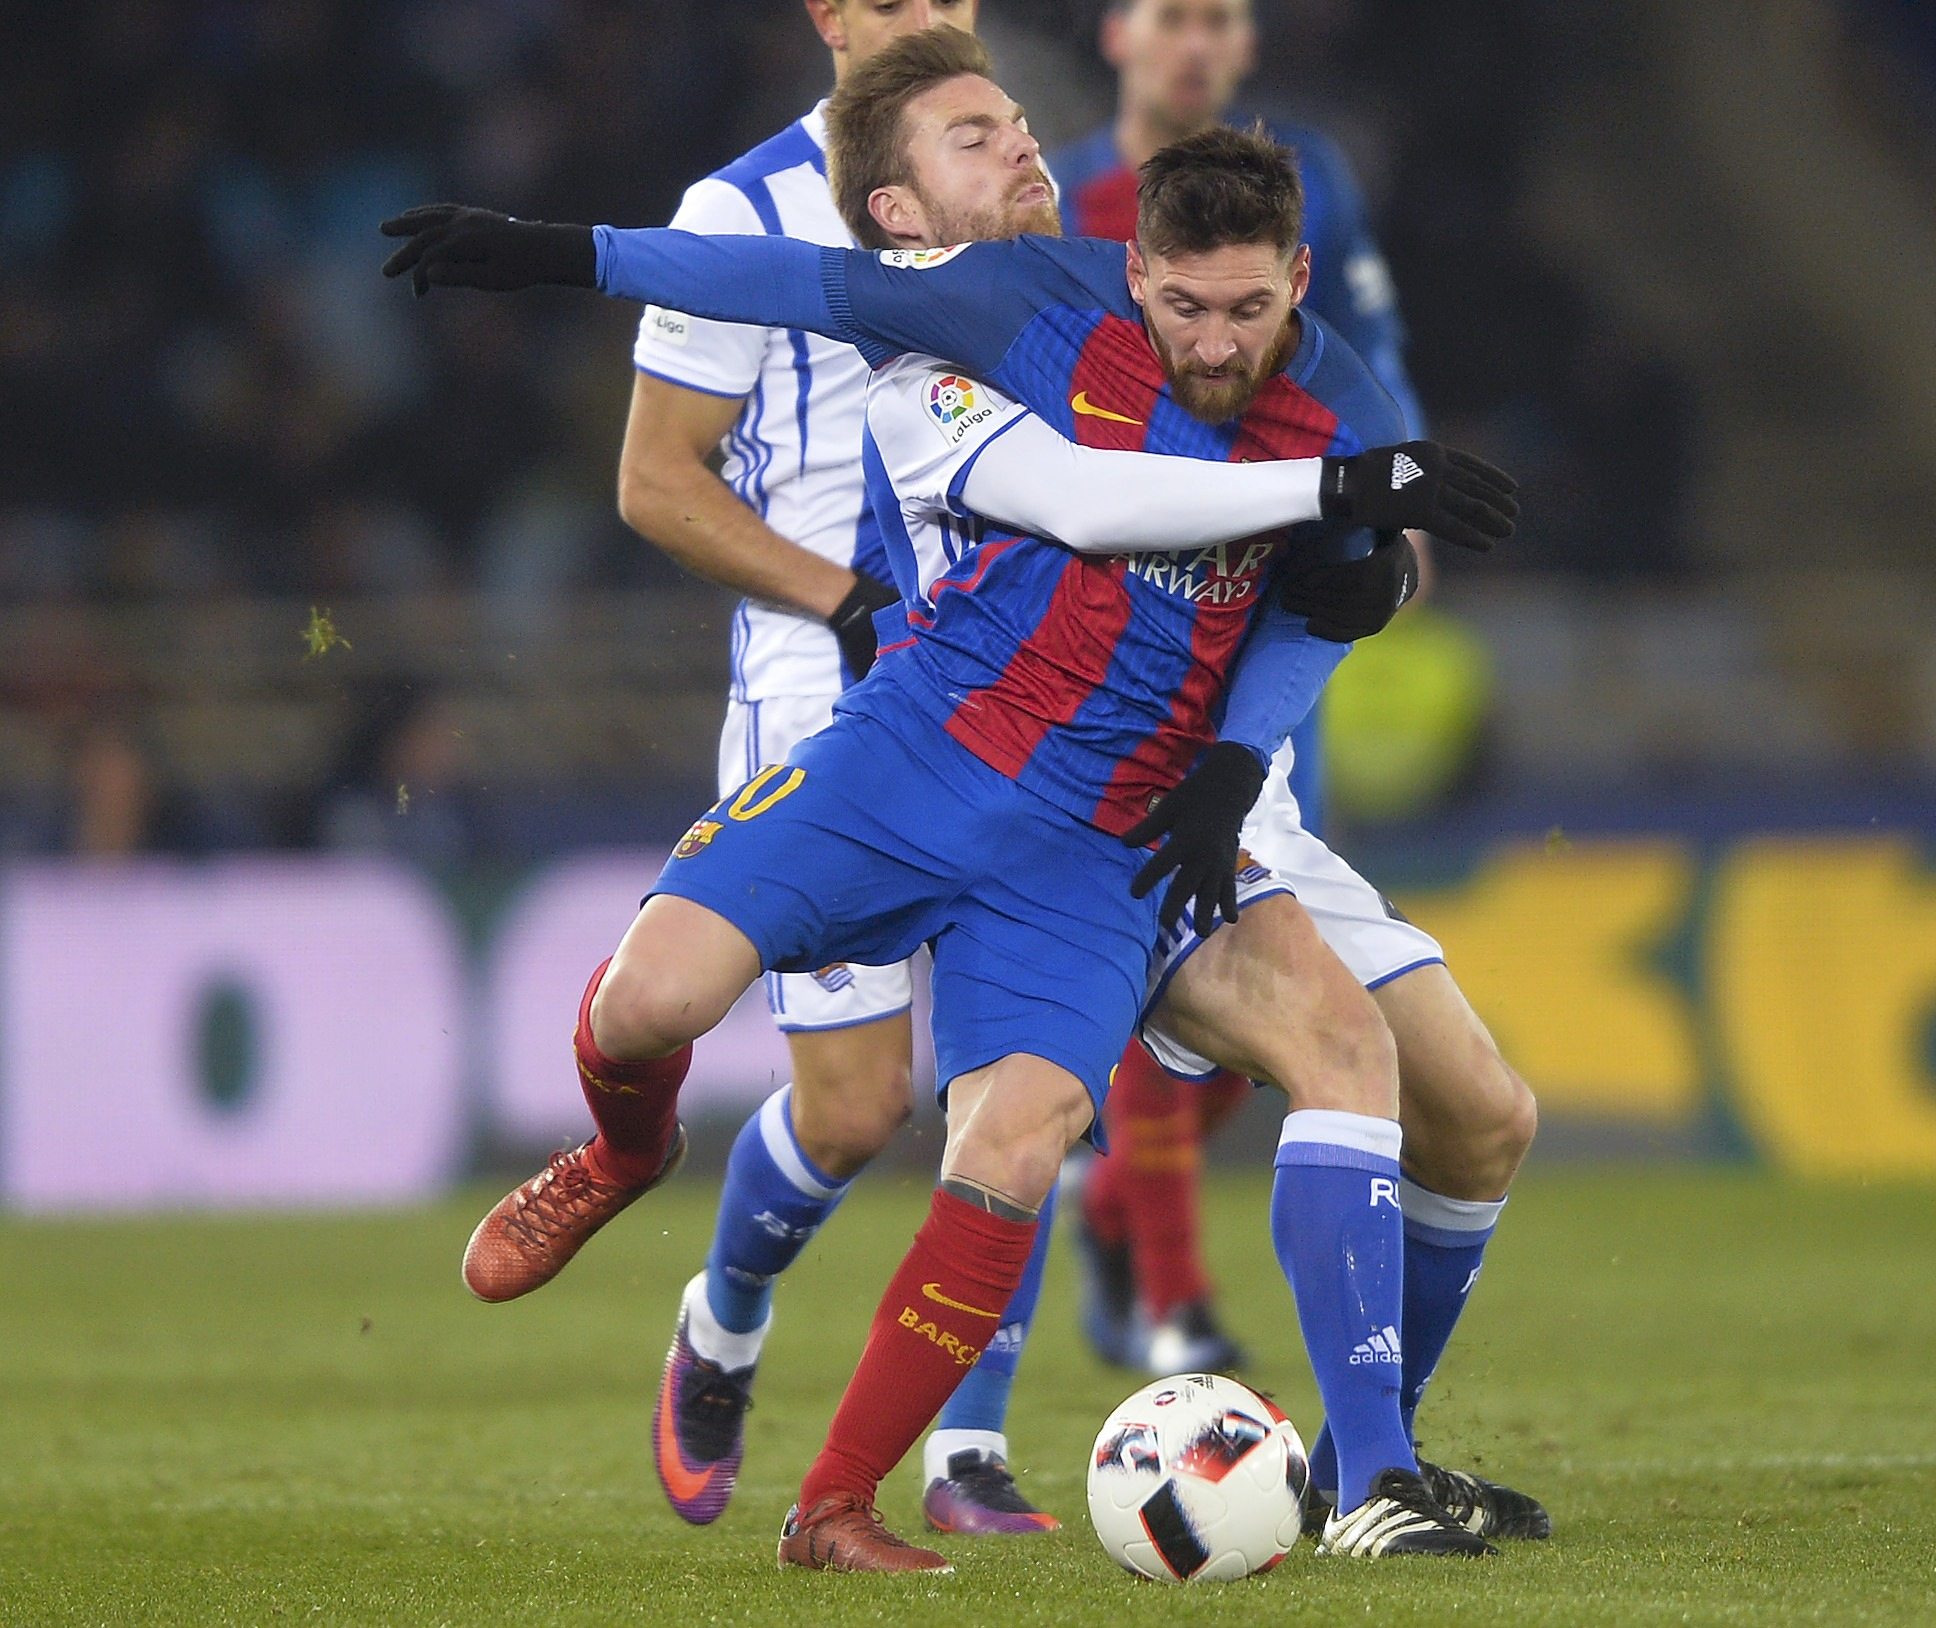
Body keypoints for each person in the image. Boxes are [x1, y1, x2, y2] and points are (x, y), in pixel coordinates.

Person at [382, 34, 1521, 1569]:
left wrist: (1252, 740)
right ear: (904, 206)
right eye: (974, 132)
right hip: (922, 745)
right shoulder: (969, 321)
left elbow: (1316, 608)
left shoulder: (1285, 380)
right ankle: (632, 1161)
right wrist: (558, 255)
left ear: (1299, 281)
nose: (1213, 338)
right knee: (666, 1006)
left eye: (1017, 123)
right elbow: (1065, 485)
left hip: (1123, 813)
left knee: (1053, 1125)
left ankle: (863, 1497)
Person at [604, 0, 1056, 1537]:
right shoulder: (735, 213)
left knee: (1024, 1069)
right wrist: (843, 599)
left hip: (1014, 659)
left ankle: (970, 1449)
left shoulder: (1014, 181)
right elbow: (656, 481)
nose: (933, 16)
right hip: (828, 670)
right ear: (829, 16)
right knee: (859, 1108)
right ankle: (722, 1322)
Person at [1050, 0, 1442, 1377]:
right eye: (1173, 17)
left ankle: (1116, 1206)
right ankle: (1171, 1299)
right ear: (1118, 36)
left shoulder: (1313, 180)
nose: (1197, 45)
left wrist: (1402, 510)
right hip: (1132, 635)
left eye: (1220, 17)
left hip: (1270, 613)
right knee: (1173, 957)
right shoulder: (1065, 197)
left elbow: (1368, 364)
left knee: (1264, 1009)